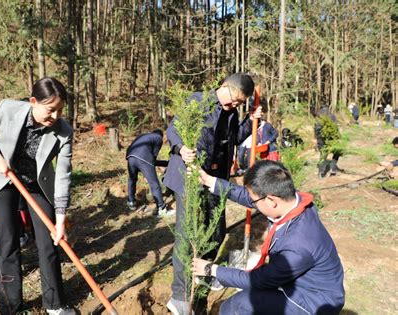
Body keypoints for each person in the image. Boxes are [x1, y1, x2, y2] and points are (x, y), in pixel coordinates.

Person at [0, 77, 75, 315]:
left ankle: (54, 304)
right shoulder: (8, 109)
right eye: (50, 110)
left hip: (37, 184)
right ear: (33, 101)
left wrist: (59, 218)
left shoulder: (64, 131)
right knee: (8, 243)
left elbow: (63, 174)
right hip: (4, 180)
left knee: (49, 242)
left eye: (60, 110)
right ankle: (10, 307)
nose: (55, 116)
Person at [163, 73, 262, 314]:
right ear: (225, 87)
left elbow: (233, 140)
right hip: (189, 179)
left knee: (216, 233)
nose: (235, 105)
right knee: (187, 237)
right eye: (235, 100)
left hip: (215, 181)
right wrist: (181, 148)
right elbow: (175, 128)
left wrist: (250, 121)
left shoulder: (230, 113)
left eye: (240, 103)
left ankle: (202, 274)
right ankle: (179, 296)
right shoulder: (198, 100)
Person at [193, 160, 345, 315]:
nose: (252, 203)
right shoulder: (292, 200)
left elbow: (259, 280)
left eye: (254, 201)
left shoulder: (297, 246)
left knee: (237, 305)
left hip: (313, 302)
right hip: (304, 283)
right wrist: (211, 181)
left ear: (271, 200)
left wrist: (212, 269)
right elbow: (252, 197)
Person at [126, 129, 174, 216]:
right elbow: (152, 159)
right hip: (144, 157)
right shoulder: (158, 138)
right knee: (154, 184)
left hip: (130, 157)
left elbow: (151, 161)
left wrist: (166, 163)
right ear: (161, 136)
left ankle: (131, 201)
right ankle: (162, 209)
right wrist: (168, 163)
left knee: (132, 179)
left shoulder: (143, 136)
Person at [314, 105, 342, 177]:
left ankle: (321, 172)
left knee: (323, 154)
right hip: (331, 138)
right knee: (337, 152)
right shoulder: (332, 115)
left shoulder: (318, 116)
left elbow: (316, 128)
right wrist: (338, 137)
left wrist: (317, 139)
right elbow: (336, 127)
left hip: (321, 138)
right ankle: (333, 168)